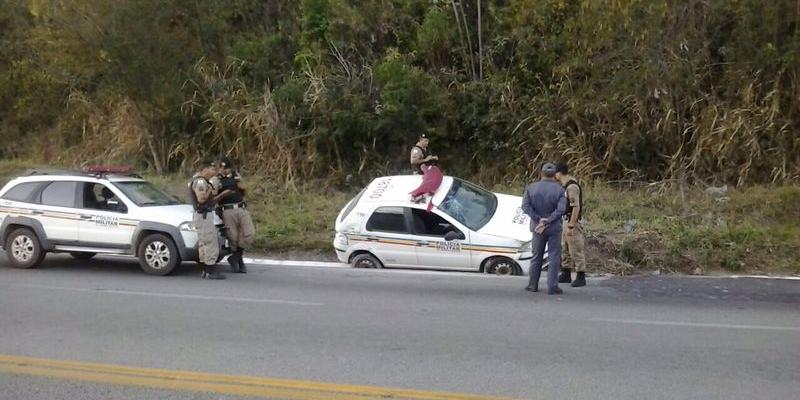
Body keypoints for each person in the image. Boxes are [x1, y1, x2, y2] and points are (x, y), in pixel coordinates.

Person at [521, 162, 567, 294]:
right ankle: (552, 286)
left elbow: (525, 206)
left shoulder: (531, 188)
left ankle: (532, 285)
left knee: (536, 256)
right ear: (555, 175)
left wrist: (538, 219)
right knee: (554, 256)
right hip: (553, 227)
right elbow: (561, 210)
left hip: (537, 227)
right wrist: (549, 220)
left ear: (541, 173)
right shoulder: (560, 190)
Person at [189, 159, 231, 280]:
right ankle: (210, 271)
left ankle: (205, 270)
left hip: (202, 215)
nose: (214, 171)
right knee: (210, 242)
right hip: (203, 216)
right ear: (205, 169)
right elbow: (202, 199)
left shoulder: (201, 181)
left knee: (204, 243)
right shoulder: (201, 182)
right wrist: (211, 190)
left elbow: (209, 201)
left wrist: (219, 195)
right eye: (212, 169)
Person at [215, 156, 256, 273]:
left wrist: (238, 181)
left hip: (240, 207)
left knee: (249, 233)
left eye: (226, 168)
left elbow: (244, 188)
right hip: (227, 209)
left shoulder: (235, 175)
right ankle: (239, 261)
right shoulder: (216, 179)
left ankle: (235, 257)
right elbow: (213, 195)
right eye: (223, 168)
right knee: (233, 237)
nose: (225, 170)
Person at [555, 162, 587, 287]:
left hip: (572, 221)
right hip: (565, 220)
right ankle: (566, 272)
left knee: (575, 249)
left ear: (559, 173)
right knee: (565, 248)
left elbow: (576, 207)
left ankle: (580, 275)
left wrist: (571, 225)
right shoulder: (565, 185)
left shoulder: (571, 186)